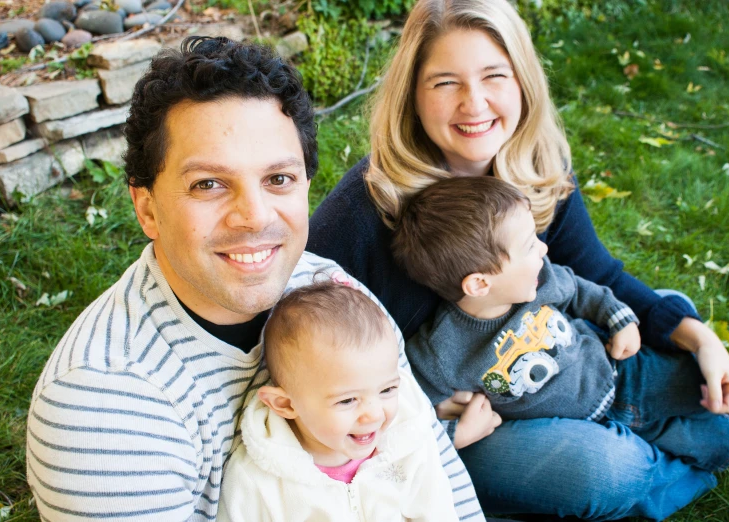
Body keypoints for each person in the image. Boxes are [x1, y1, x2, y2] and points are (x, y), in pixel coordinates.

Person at [307, 0, 729, 519]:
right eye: (445, 82)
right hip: (455, 425)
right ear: (413, 96)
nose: (474, 104)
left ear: (522, 81)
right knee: (608, 470)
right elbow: (308, 349)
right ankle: (672, 456)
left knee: (674, 314)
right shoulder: (365, 208)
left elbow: (597, 276)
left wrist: (700, 336)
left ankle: (638, 430)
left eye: (494, 75)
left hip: (546, 362)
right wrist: (415, 411)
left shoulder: (534, 167)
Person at [26, 36, 483, 521]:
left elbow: (437, 471)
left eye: (277, 179)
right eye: (209, 184)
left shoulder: (333, 292)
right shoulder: (107, 407)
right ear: (147, 209)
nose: (253, 215)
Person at [395, 176, 729, 474]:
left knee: (687, 381)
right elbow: (408, 416)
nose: (543, 249)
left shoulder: (540, 279)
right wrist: (455, 434)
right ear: (480, 283)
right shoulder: (442, 353)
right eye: (530, 245)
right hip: (589, 428)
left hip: (619, 370)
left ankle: (723, 404)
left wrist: (622, 319)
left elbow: (583, 291)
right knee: (704, 440)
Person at [217, 280, 459, 521]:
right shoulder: (257, 481)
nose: (374, 414)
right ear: (286, 405)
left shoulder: (408, 442)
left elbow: (438, 511)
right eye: (347, 401)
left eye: (387, 390)